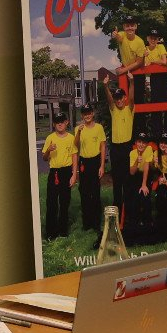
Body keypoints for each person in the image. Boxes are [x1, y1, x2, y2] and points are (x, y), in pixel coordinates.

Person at [40, 110, 76, 239]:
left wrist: (74, 174)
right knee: (52, 202)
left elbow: (74, 156)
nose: (60, 124)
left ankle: (63, 231)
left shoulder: (71, 138)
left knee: (64, 202)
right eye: (57, 122)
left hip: (66, 172)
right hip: (54, 172)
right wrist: (48, 151)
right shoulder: (50, 138)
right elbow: (44, 158)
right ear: (54, 124)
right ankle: (51, 233)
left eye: (62, 122)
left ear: (66, 123)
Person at [74, 103, 106, 240]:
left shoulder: (99, 128)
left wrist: (102, 166)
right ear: (82, 115)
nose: (87, 115)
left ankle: (96, 223)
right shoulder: (78, 128)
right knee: (84, 191)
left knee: (95, 192)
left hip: (95, 161)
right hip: (84, 162)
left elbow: (103, 147)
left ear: (92, 113)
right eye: (84, 113)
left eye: (89, 113)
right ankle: (87, 223)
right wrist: (79, 132)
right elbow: (75, 145)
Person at [107, 84, 137, 227]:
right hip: (115, 149)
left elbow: (132, 99)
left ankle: (129, 216)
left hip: (127, 148)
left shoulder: (129, 109)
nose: (119, 100)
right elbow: (109, 100)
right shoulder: (113, 110)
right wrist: (105, 86)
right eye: (116, 98)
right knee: (117, 184)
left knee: (128, 182)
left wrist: (131, 82)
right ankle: (117, 219)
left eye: (121, 98)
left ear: (124, 98)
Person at [127, 128, 159, 242]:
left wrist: (144, 185)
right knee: (134, 199)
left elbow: (146, 168)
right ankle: (134, 225)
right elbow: (132, 172)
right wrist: (137, 161)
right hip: (135, 177)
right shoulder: (132, 153)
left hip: (146, 176)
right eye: (139, 142)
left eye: (144, 142)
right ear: (136, 143)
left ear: (146, 144)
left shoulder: (149, 149)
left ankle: (147, 225)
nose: (141, 144)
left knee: (145, 196)